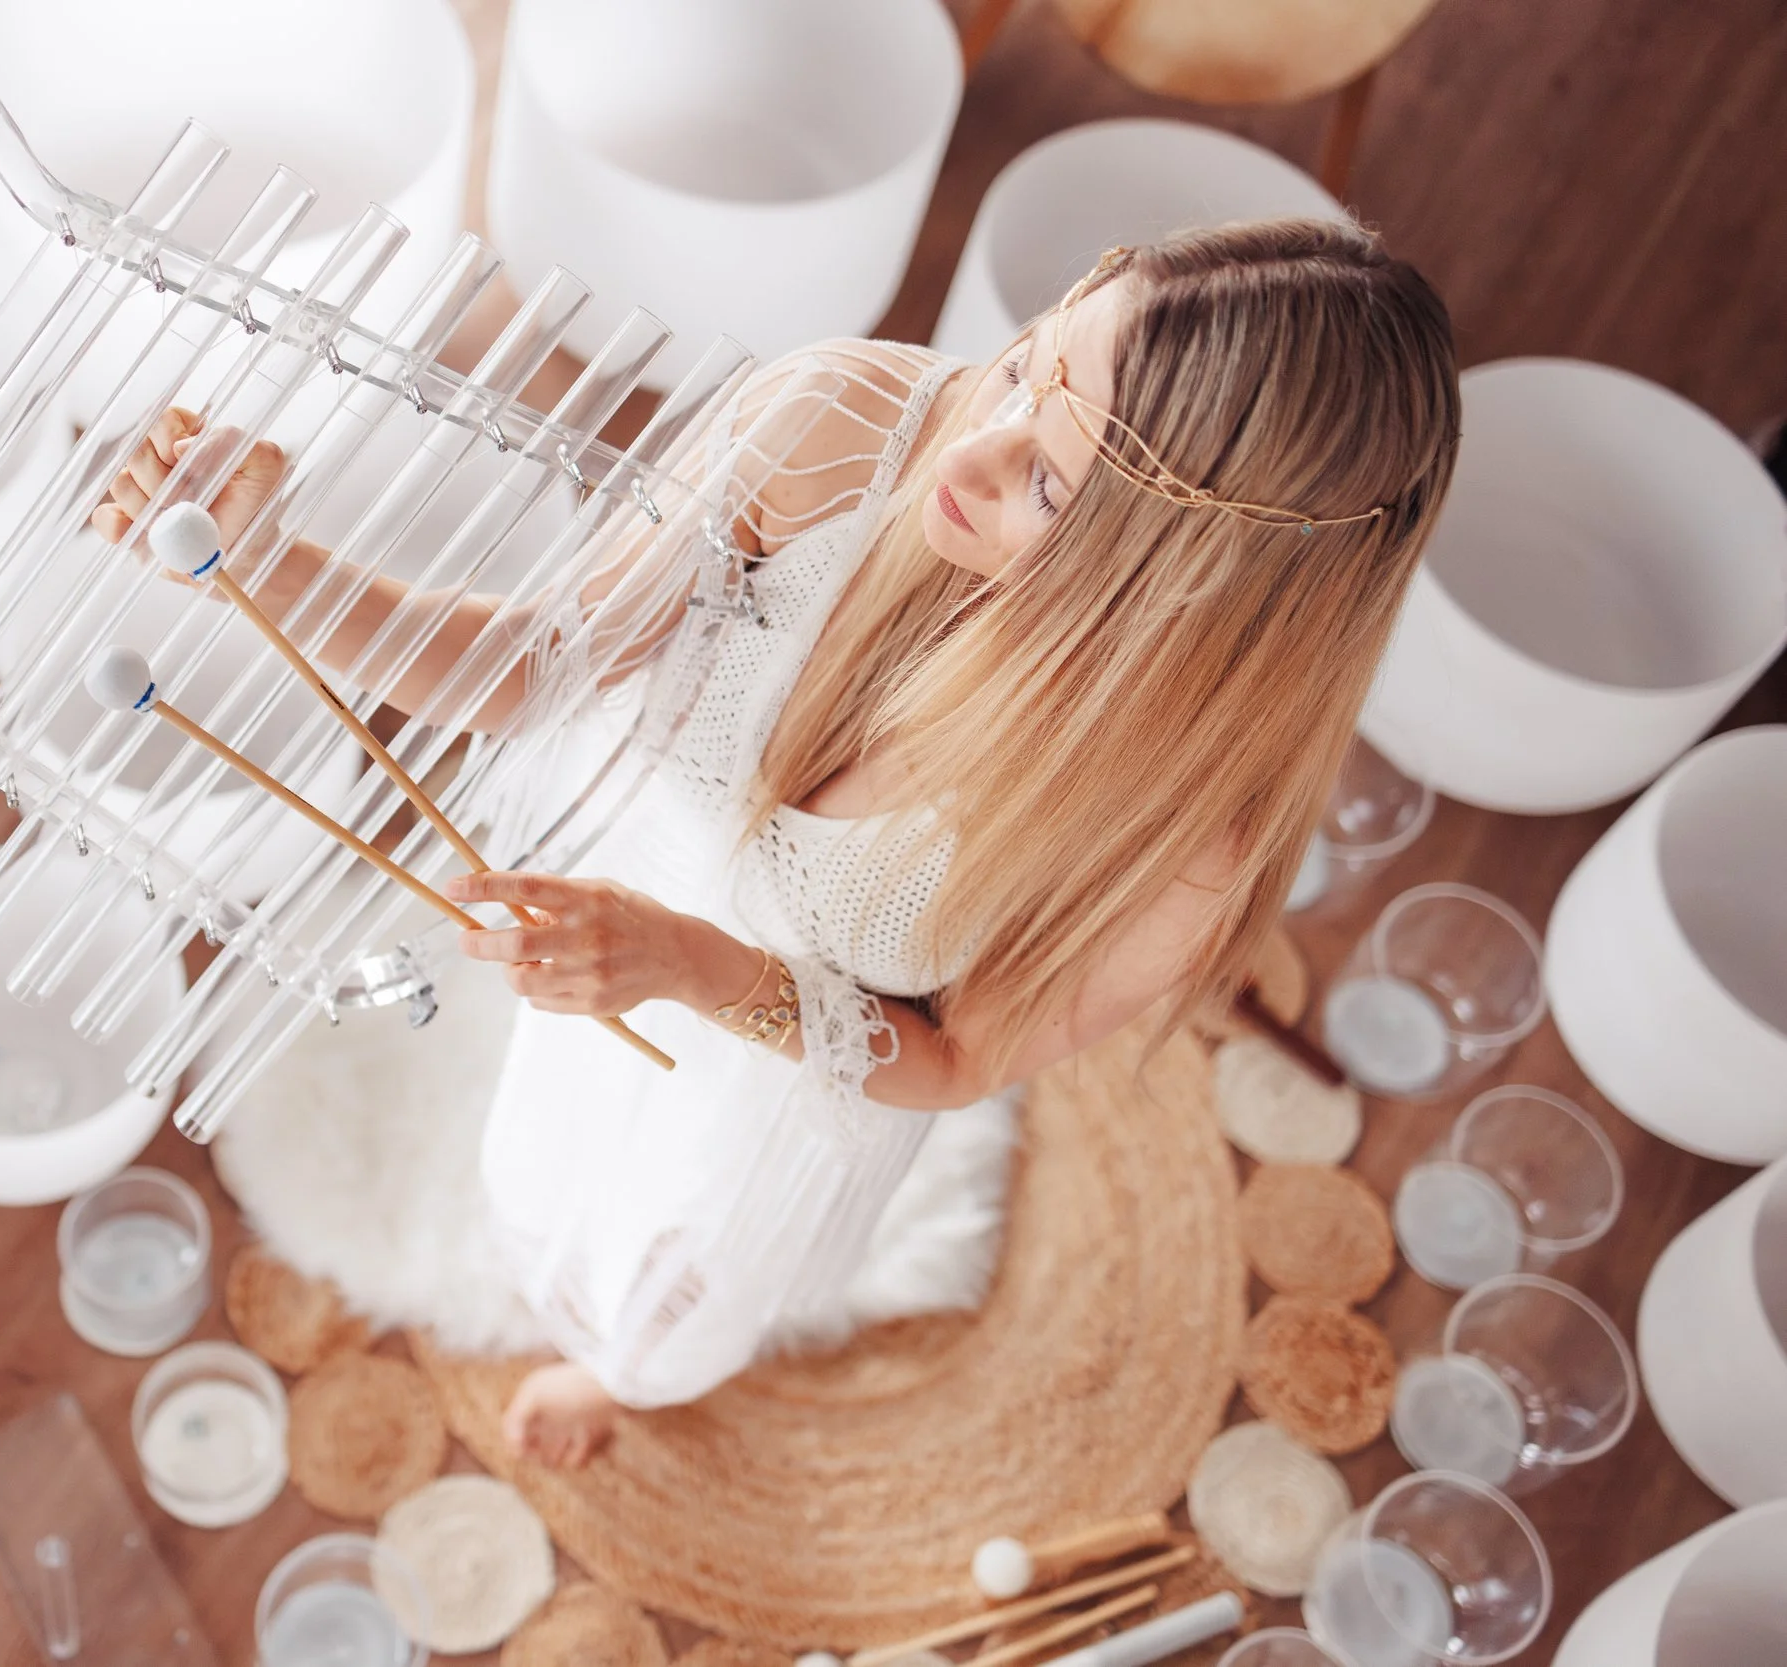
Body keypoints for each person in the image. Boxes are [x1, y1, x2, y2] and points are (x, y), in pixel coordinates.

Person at [94, 218, 1461, 1468]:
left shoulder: (1181, 842)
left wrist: (693, 965)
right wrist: (260, 561)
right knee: (543, 1163)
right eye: (1025, 366)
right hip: (608, 948)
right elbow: (537, 664)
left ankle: (622, 1381)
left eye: (1047, 483)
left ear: (1182, 590)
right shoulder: (829, 429)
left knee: (681, 1295)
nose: (968, 451)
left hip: (781, 1100)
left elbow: (962, 1057)